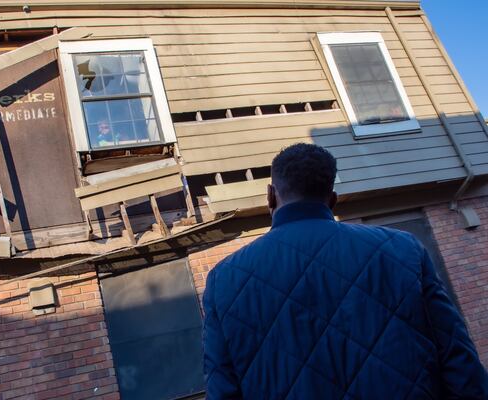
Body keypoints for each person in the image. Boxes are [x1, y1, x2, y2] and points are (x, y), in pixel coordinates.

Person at [203, 143, 488, 399]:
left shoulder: (223, 280)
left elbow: (222, 390)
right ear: (333, 199)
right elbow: (459, 360)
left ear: (270, 196)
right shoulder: (404, 249)